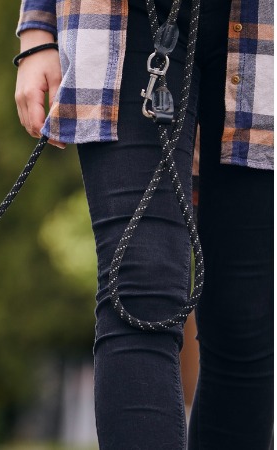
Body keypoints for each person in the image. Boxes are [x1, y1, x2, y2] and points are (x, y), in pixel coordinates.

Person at [14, 0, 273, 448]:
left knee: (247, 319)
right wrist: (38, 30)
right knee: (139, 289)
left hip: (262, 28)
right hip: (121, 21)